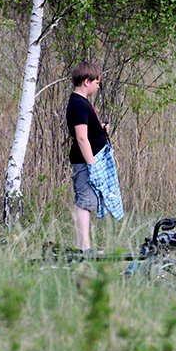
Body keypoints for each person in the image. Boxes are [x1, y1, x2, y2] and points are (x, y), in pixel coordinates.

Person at [66, 61, 123, 253]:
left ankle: (79, 246)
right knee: (86, 203)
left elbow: (87, 131)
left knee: (84, 201)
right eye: (97, 83)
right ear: (86, 81)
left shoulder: (81, 104)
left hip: (89, 160)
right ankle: (84, 248)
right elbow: (81, 138)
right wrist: (92, 165)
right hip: (86, 162)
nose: (98, 87)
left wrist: (100, 128)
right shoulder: (79, 105)